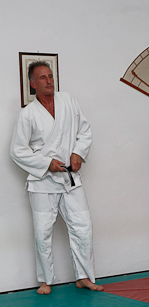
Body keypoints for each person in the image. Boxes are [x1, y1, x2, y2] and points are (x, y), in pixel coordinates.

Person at [10, 61, 102, 295]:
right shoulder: (28, 114)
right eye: (42, 77)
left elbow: (84, 131)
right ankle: (45, 280)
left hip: (70, 178)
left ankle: (83, 277)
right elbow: (17, 150)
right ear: (33, 84)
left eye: (50, 76)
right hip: (42, 182)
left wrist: (78, 152)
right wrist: (45, 164)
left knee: (83, 227)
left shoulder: (68, 101)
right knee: (43, 232)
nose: (49, 81)